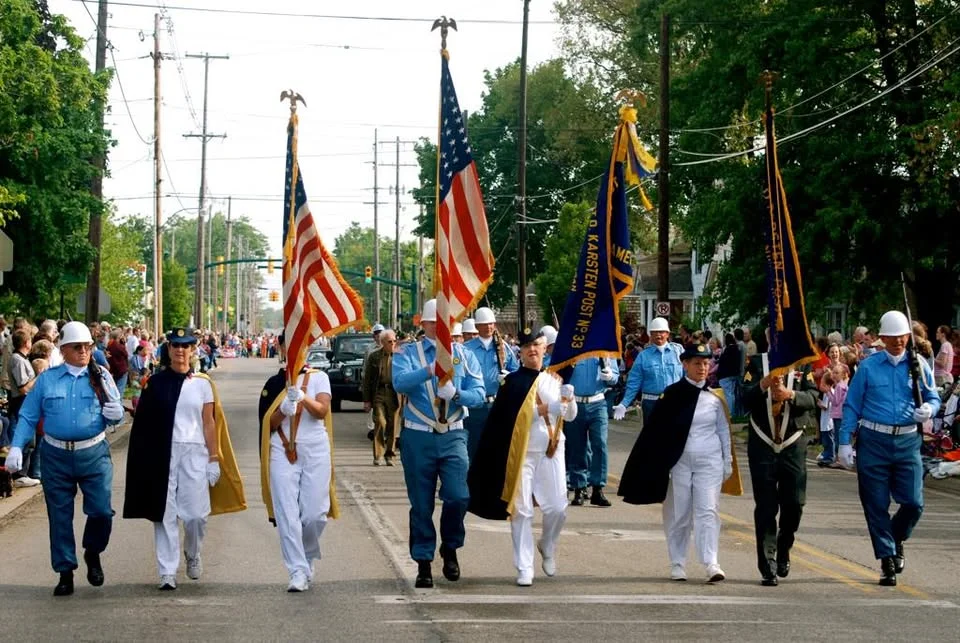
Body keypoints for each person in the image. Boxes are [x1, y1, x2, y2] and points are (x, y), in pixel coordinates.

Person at [4, 322, 123, 596]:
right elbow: (29, 416)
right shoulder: (48, 379)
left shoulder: (100, 376)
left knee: (102, 511)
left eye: (87, 346)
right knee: (59, 516)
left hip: (93, 453)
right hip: (55, 454)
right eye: (77, 347)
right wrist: (16, 447)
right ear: (64, 349)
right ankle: (65, 571)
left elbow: (114, 413)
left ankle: (92, 551)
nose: (83, 351)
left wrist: (115, 413)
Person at [123, 328, 245, 591]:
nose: (181, 351)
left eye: (186, 346)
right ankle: (167, 570)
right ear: (169, 350)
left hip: (195, 453)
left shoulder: (202, 383)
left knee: (196, 516)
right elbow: (145, 424)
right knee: (164, 514)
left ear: (193, 349)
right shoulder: (155, 383)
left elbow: (209, 423)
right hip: (163, 454)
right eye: (176, 346)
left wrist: (213, 458)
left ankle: (193, 553)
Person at [618, 344, 740, 583]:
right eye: (697, 363)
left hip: (709, 461)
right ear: (685, 365)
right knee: (679, 513)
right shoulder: (672, 394)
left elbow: (723, 431)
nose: (702, 368)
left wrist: (728, 461)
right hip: (680, 462)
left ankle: (711, 562)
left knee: (708, 511)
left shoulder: (715, 397)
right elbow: (657, 433)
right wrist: (661, 465)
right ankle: (677, 562)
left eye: (706, 363)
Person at [467, 328, 577, 586]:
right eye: (527, 347)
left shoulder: (554, 379)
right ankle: (524, 566)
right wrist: (544, 409)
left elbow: (569, 416)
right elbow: (509, 419)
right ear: (521, 352)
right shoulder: (512, 383)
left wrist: (569, 400)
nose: (533, 350)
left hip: (552, 450)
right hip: (523, 453)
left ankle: (547, 545)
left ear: (544, 348)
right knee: (522, 511)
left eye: (537, 345)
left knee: (558, 508)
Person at [839, 310, 940, 586]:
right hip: (874, 440)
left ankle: (895, 538)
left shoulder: (918, 364)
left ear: (909, 336)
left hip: (908, 441)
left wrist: (929, 408)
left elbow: (933, 395)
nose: (898, 342)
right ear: (882, 338)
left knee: (913, 503)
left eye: (903, 337)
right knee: (875, 503)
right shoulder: (869, 367)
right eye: (893, 338)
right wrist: (845, 441)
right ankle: (887, 560)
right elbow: (851, 406)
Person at [392, 299, 485, 589]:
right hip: (419, 434)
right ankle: (423, 561)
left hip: (453, 432)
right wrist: (429, 370)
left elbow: (480, 392)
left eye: (446, 323)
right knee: (421, 503)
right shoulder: (408, 352)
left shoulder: (464, 355)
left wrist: (457, 394)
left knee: (458, 497)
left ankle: (451, 547)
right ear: (426, 324)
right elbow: (399, 382)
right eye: (435, 323)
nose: (441, 328)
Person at [259, 355, 338, 592]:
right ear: (283, 348)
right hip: (282, 450)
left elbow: (322, 411)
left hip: (314, 448)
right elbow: (268, 424)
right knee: (287, 513)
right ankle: (297, 569)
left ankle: (308, 554)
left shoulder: (319, 377)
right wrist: (284, 409)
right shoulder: (274, 383)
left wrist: (304, 398)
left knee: (315, 515)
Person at [742, 351, 819, 586]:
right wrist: (763, 384)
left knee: (794, 504)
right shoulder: (755, 363)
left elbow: (814, 397)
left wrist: (791, 395)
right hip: (763, 443)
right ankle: (768, 563)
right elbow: (743, 399)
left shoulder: (803, 364)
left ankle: (784, 546)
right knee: (765, 506)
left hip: (792, 443)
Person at [462, 307, 520, 462]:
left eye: (491, 323)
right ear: (477, 326)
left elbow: (516, 371)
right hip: (474, 406)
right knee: (473, 447)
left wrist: (510, 377)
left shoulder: (503, 347)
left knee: (496, 447)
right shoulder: (466, 349)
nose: (488, 327)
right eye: (484, 324)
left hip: (496, 403)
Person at [562, 355, 619, 507]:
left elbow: (615, 377)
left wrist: (610, 376)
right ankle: (579, 488)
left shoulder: (604, 351)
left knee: (600, 444)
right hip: (576, 403)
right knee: (577, 446)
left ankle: (597, 489)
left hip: (598, 402)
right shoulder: (573, 349)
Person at [614, 317, 683, 423]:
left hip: (674, 402)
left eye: (661, 332)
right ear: (650, 335)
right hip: (651, 403)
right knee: (652, 438)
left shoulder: (678, 352)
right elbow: (634, 381)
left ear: (668, 334)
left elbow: (688, 376)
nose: (658, 335)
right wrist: (624, 403)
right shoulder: (643, 356)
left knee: (674, 437)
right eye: (655, 332)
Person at [362, 328, 400, 466]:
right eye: (389, 341)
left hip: (395, 394)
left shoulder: (400, 356)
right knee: (380, 422)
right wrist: (367, 400)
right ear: (382, 342)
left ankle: (390, 455)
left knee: (392, 425)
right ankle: (378, 455)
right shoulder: (374, 356)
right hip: (379, 393)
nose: (393, 344)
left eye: (395, 341)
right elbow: (367, 379)